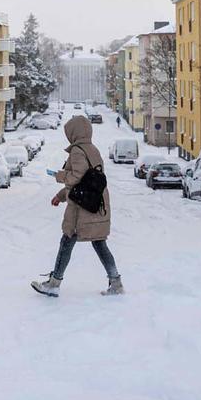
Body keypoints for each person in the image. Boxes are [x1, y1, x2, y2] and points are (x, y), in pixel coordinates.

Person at [32, 115, 123, 297]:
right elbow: (85, 183)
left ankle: (54, 283)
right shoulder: (93, 150)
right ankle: (116, 283)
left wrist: (59, 176)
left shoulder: (77, 151)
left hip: (81, 211)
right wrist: (60, 195)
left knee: (67, 241)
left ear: (74, 133)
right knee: (99, 243)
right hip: (97, 205)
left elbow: (76, 178)